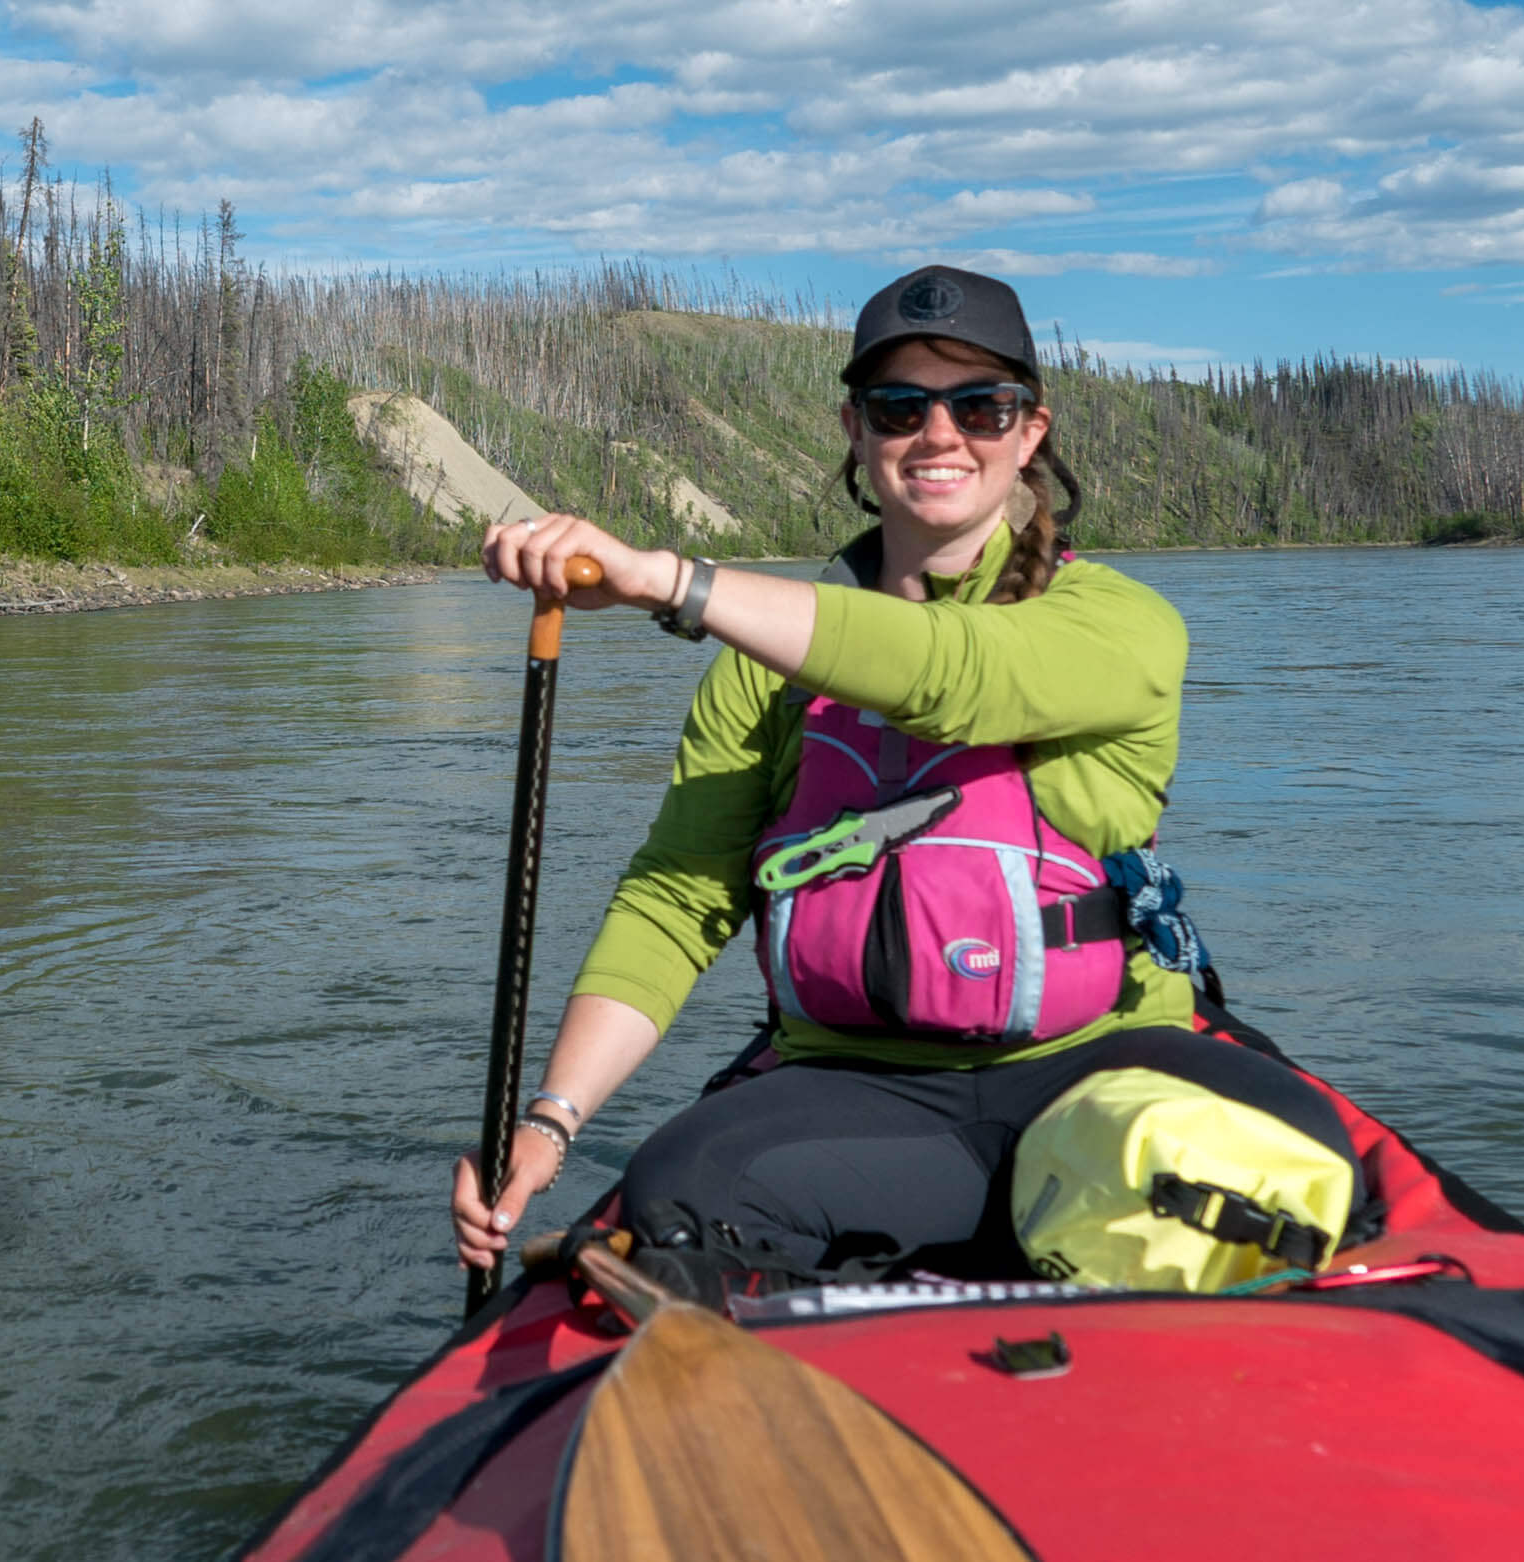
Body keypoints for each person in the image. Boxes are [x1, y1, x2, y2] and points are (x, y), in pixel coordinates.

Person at [450, 265, 1355, 1290]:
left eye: (980, 405)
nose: (938, 434)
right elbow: (678, 894)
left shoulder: (1121, 624)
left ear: (1029, 432)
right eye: (899, 407)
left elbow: (952, 673)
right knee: (677, 1195)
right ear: (855, 428)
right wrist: (550, 1123)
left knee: (1272, 1162)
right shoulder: (760, 664)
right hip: (858, 1089)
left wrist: (671, 580)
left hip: (1099, 1069)